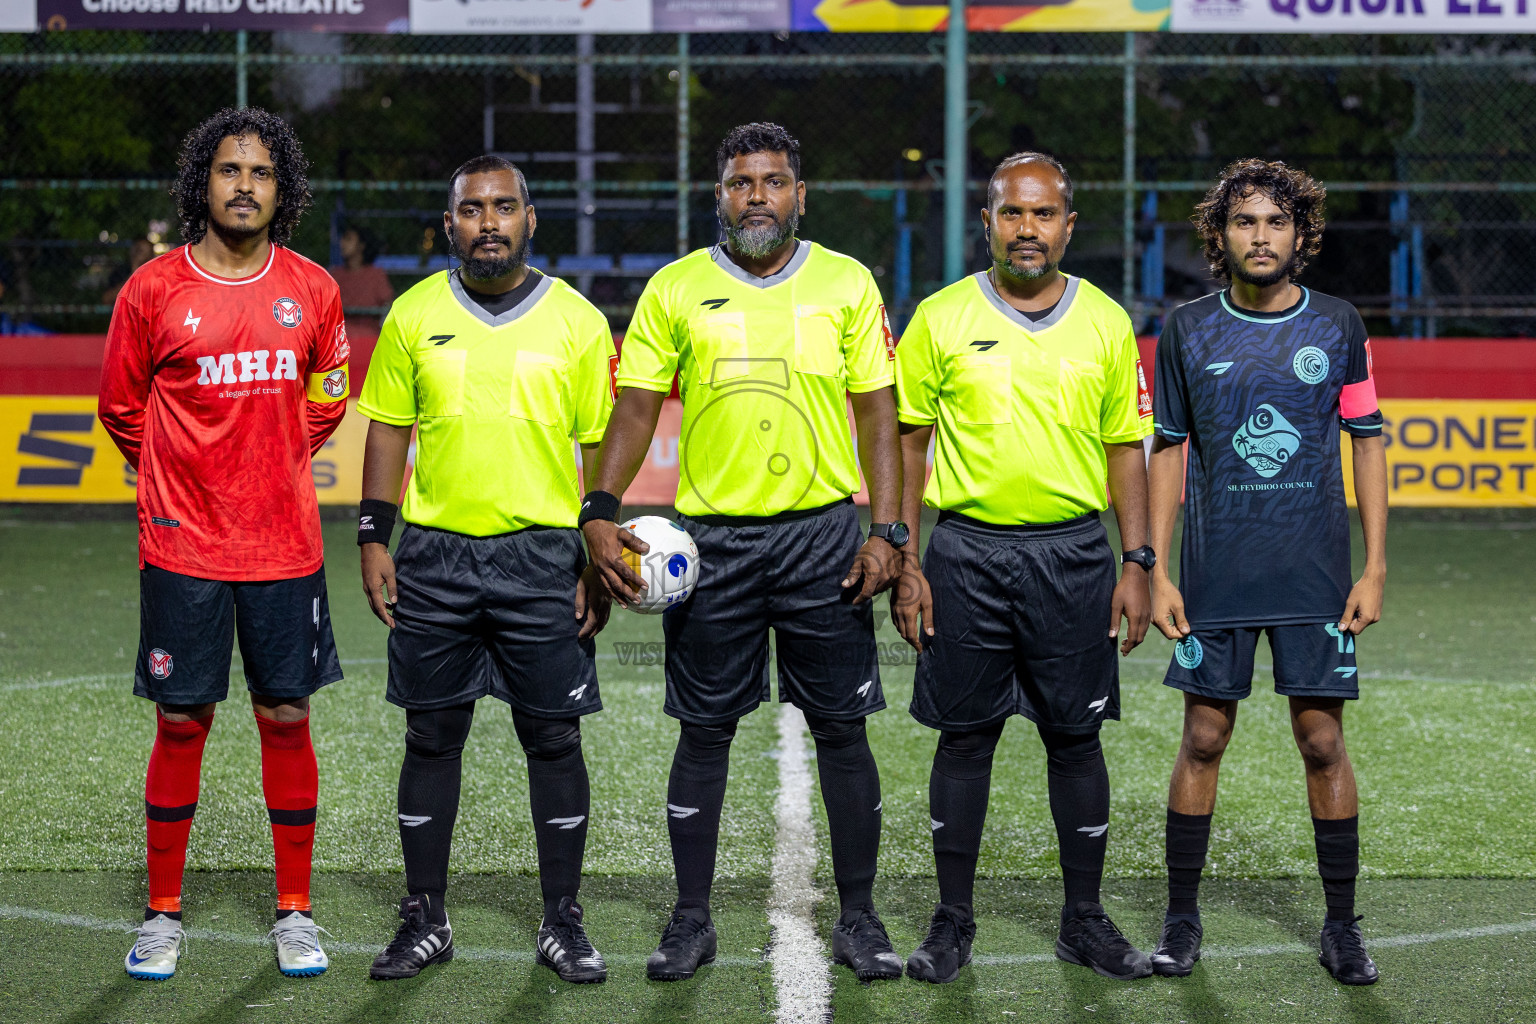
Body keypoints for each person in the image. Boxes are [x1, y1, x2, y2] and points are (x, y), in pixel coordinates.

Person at [581, 122, 907, 983]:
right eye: (739, 183)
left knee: (842, 731)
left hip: (822, 538)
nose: (756, 196)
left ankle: (861, 917)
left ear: (800, 195)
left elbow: (879, 412)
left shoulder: (847, 283)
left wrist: (888, 531)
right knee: (704, 732)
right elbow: (635, 406)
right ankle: (691, 919)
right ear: (719, 196)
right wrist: (598, 511)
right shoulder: (676, 288)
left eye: (772, 181)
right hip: (711, 546)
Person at [98, 107, 349, 981]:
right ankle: (163, 914)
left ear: (284, 190)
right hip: (183, 546)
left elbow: (328, 397)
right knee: (181, 721)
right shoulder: (151, 290)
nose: (245, 186)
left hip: (284, 544)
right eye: (230, 170)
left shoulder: (313, 288)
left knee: (287, 716)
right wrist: (186, 472)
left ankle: (295, 911)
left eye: (262, 172)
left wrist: (263, 463)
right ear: (201, 182)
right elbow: (121, 408)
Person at [892, 152, 1155, 984]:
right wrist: (905, 554)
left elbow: (1126, 448)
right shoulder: (940, 317)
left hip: (1074, 556)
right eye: (1013, 213)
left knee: (1075, 739)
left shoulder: (1106, 322)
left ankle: (1084, 920)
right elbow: (907, 441)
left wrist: (1139, 560)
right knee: (965, 739)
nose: (1028, 229)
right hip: (965, 554)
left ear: (1068, 226)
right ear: (989, 222)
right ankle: (951, 922)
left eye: (1044, 214)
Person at [357, 155, 616, 984]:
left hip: (543, 557)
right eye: (472, 209)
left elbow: (599, 444)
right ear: (450, 225)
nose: (489, 222)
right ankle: (425, 916)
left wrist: (597, 549)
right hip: (434, 558)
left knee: (553, 737)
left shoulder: (577, 321)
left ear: (530, 220)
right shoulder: (412, 313)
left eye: (505, 207)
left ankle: (562, 919)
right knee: (431, 735)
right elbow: (388, 427)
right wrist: (373, 536)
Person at [1145, 159, 1387, 986]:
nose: (1260, 236)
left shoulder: (1338, 324)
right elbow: (1169, 450)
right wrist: (1158, 569)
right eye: (1244, 221)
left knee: (1322, 741)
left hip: (1315, 578)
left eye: (1276, 222)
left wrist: (1375, 567)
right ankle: (1181, 921)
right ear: (1220, 235)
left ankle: (1342, 927)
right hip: (1215, 575)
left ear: (1300, 234)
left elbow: (1367, 442)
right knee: (1203, 737)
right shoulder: (1186, 329)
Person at [329, 224, 394, 334]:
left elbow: (388, 304)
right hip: (339, 335)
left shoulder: (375, 275)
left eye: (348, 239)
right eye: (343, 239)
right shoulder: (335, 274)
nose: (342, 243)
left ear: (361, 245)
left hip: (369, 335)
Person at [102, 237, 157, 307]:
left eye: (141, 251)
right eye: (137, 250)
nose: (138, 255)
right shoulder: (120, 271)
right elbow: (107, 299)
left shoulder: (155, 273)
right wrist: (134, 273)